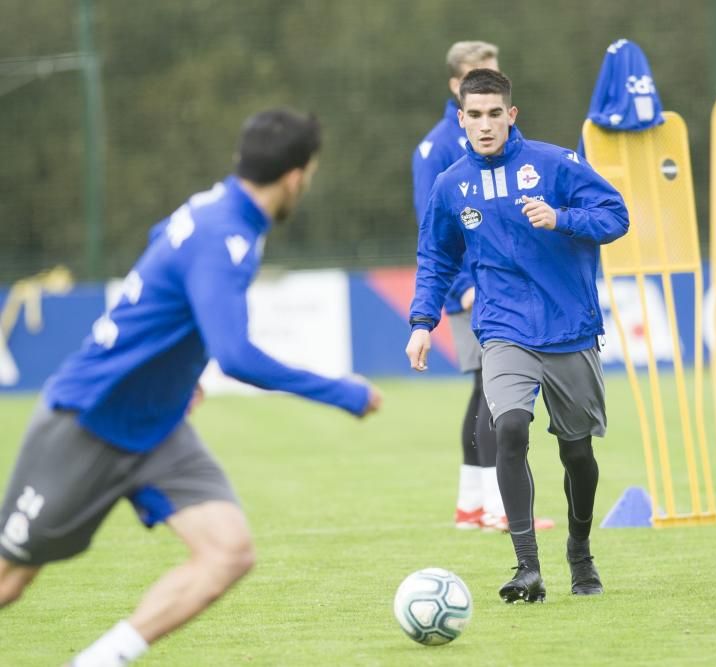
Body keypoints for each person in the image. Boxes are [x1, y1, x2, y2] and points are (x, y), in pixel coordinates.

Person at [0, 108, 382, 666]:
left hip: (158, 428)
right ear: (297, 176)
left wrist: (181, 378)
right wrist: (341, 392)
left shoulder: (218, 212)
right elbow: (236, 356)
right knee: (10, 580)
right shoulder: (224, 234)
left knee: (228, 552)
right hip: (89, 417)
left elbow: (169, 288)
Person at [406, 69, 629, 603]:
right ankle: (527, 566)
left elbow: (616, 215)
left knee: (576, 452)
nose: (485, 124)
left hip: (569, 326)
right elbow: (435, 258)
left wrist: (561, 218)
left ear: (511, 114)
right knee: (508, 428)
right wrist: (421, 323)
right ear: (461, 119)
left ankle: (580, 551)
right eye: (474, 115)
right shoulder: (451, 184)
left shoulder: (555, 165)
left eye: (493, 113)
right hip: (503, 327)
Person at [411, 41, 553, 533]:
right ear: (456, 87)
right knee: (495, 394)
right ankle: (497, 506)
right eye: (478, 78)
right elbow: (434, 231)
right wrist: (462, 290)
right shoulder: (437, 150)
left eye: (495, 77)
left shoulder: (500, 134)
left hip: (503, 287)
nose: (488, 97)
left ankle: (473, 504)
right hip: (473, 291)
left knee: (483, 392)